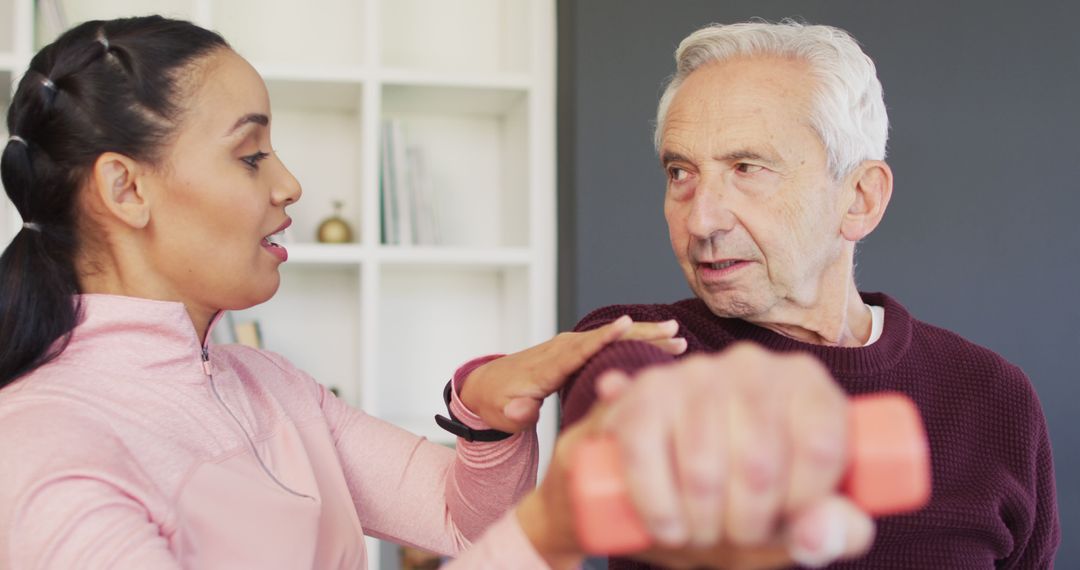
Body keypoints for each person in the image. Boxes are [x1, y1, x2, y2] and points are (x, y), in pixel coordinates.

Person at [0, 16, 691, 569]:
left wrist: (489, 414)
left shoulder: (267, 384)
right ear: (127, 189)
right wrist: (553, 527)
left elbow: (460, 520)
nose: (289, 185)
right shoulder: (43, 443)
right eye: (250, 156)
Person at [555, 20, 1060, 569]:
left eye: (747, 168)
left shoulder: (994, 397)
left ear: (860, 199)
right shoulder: (642, 343)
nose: (701, 220)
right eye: (681, 172)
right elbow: (617, 405)